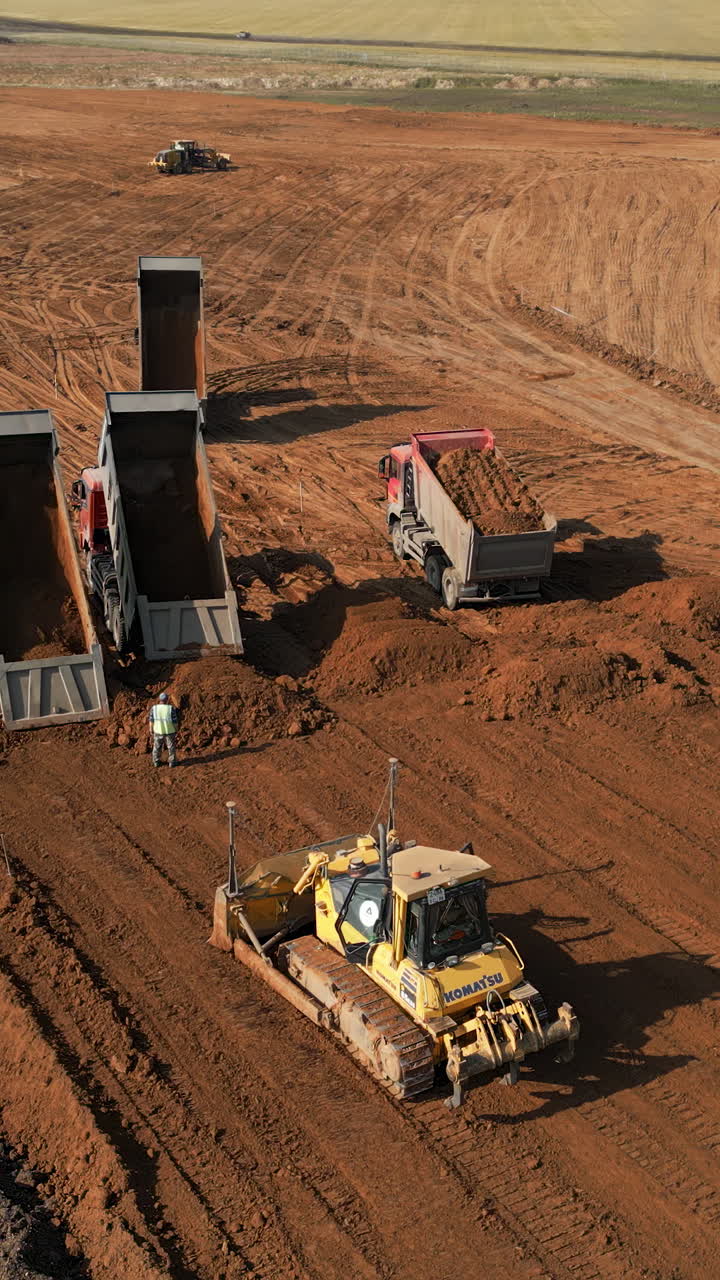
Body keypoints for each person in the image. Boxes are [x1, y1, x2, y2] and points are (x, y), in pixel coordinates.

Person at [149, 692, 179, 768]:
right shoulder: (170, 708)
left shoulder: (154, 708)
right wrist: (176, 729)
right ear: (167, 700)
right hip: (169, 731)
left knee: (157, 747)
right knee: (171, 747)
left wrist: (151, 729)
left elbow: (151, 720)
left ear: (159, 699)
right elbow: (175, 721)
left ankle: (156, 761)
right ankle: (172, 762)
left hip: (158, 731)